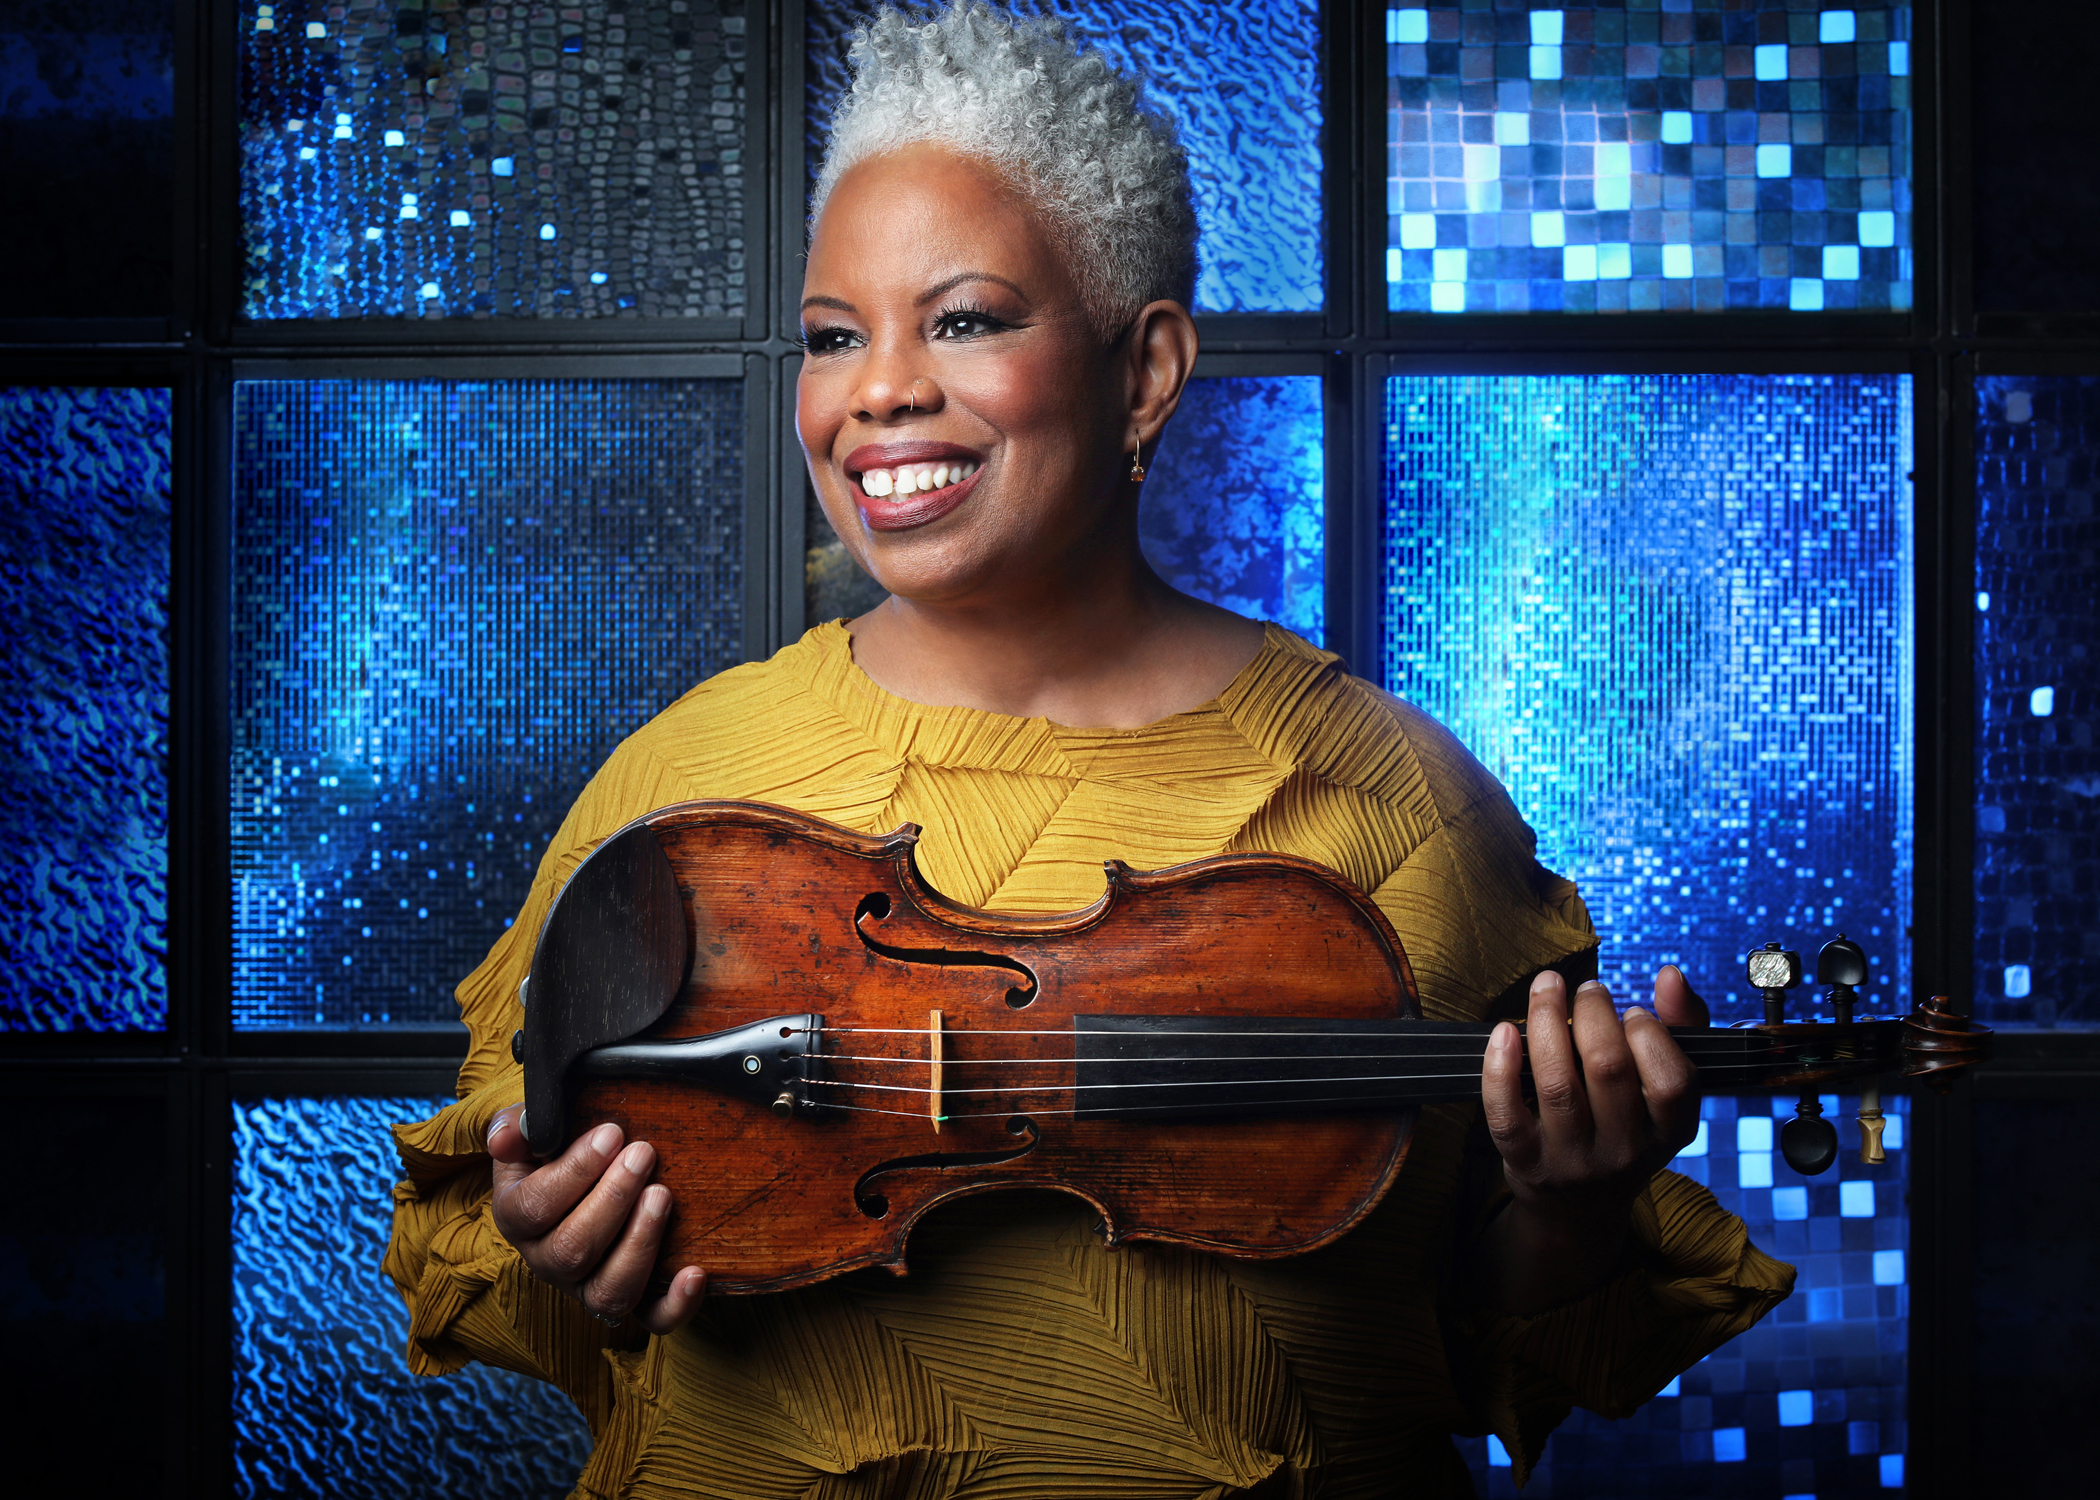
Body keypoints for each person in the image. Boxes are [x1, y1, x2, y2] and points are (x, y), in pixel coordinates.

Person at [385, 7, 1791, 1494]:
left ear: (1145, 372)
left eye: (967, 319)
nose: (879, 392)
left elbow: (1483, 1343)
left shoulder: (1392, 804)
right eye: (832, 336)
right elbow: (505, 1253)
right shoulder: (680, 787)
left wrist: (1571, 1207)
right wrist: (566, 1244)